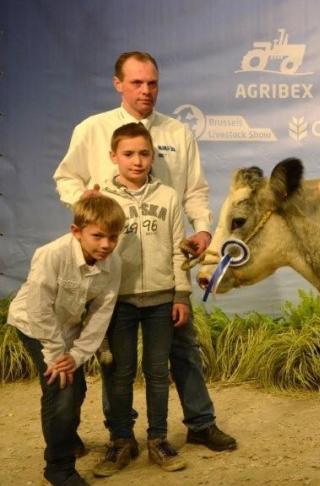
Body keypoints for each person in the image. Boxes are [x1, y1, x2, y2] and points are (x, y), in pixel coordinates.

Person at [53, 51, 236, 454]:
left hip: (163, 263)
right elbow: (66, 177)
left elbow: (195, 190)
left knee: (181, 346)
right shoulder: (93, 129)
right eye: (136, 82)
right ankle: (116, 436)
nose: (146, 90)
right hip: (111, 267)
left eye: (152, 83)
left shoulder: (177, 133)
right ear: (118, 83)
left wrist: (202, 228)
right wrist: (85, 202)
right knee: (113, 361)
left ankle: (200, 423)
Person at [92, 122, 192, 475]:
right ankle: (121, 441)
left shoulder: (167, 196)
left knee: (157, 373)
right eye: (129, 154)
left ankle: (158, 440)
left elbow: (181, 251)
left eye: (144, 153)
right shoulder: (101, 198)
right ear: (113, 156)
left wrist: (181, 293)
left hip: (162, 299)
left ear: (154, 156)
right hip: (118, 300)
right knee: (119, 373)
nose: (137, 161)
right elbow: (92, 251)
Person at [8, 196, 125, 486]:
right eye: (97, 236)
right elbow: (38, 308)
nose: (105, 245)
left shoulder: (114, 264)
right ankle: (59, 467)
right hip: (34, 326)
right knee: (61, 387)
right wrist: (58, 355)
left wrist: (78, 355)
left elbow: (101, 314)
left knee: (77, 386)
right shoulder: (52, 255)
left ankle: (67, 436)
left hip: (68, 329)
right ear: (77, 231)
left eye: (112, 237)